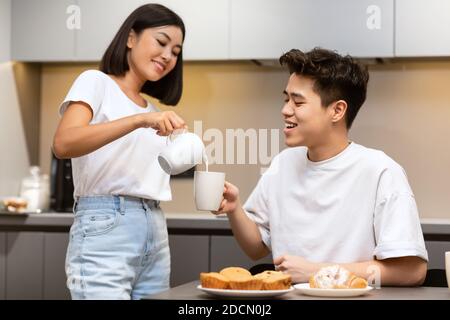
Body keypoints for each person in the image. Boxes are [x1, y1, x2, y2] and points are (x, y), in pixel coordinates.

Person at [214, 48, 428, 286]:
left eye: (298, 101)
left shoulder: (381, 171)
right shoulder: (282, 164)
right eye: (286, 99)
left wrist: (318, 272)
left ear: (337, 110)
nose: (285, 110)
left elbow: (411, 271)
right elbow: (256, 248)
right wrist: (234, 209)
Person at [53, 4, 186, 299]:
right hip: (105, 226)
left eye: (176, 51)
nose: (168, 55)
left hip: (154, 227)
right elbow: (63, 143)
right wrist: (140, 121)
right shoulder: (95, 82)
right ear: (130, 38)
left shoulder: (151, 109)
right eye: (161, 42)